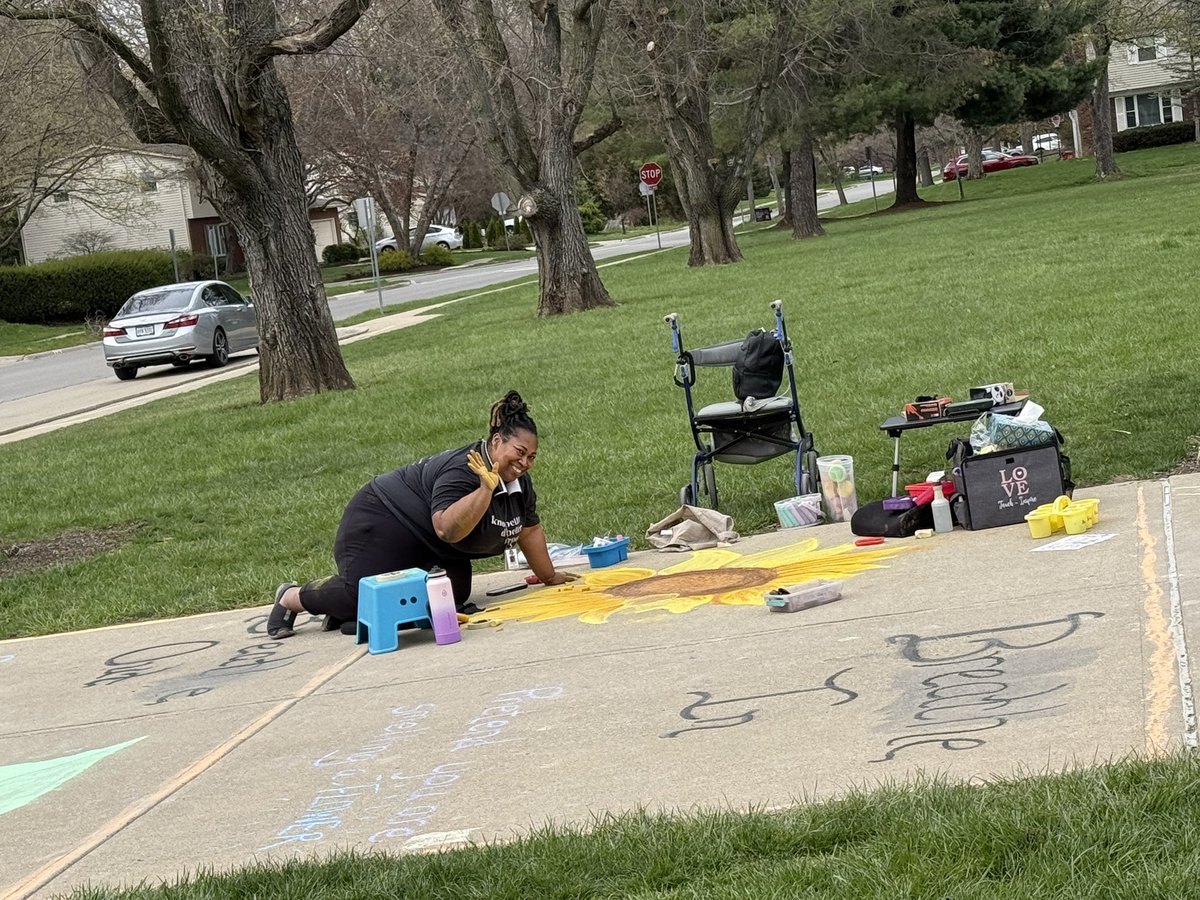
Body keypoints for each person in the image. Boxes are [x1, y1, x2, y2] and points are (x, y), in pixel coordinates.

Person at [267, 391, 578, 638]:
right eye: (519, 453)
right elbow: (447, 530)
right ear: (496, 442)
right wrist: (484, 490)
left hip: (432, 544)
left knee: (450, 595)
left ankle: (353, 615)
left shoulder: (519, 482)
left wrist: (549, 576)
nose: (524, 463)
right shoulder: (463, 468)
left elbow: (529, 530)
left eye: (532, 456)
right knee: (358, 594)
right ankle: (292, 597)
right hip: (383, 518)